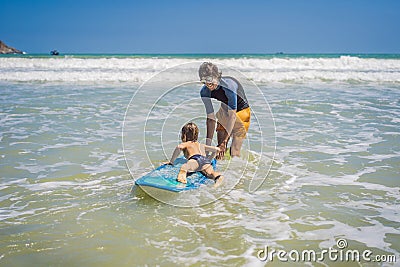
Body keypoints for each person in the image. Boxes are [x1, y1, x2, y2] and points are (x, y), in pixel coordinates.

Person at [199, 62, 250, 160]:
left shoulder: (229, 87)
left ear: (217, 76)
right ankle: (218, 170)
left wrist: (224, 142)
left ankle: (237, 171)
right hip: (225, 109)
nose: (207, 84)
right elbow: (210, 119)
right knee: (219, 150)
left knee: (234, 151)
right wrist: (207, 146)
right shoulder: (204, 92)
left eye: (209, 79)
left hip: (242, 111)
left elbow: (233, 116)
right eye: (204, 80)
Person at [165, 122, 224, 187]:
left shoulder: (187, 143)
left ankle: (182, 180)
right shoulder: (200, 144)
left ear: (184, 135)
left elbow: (179, 147)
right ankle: (217, 177)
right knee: (209, 173)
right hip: (204, 160)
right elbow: (216, 149)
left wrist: (171, 161)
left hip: (194, 159)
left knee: (184, 167)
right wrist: (209, 160)